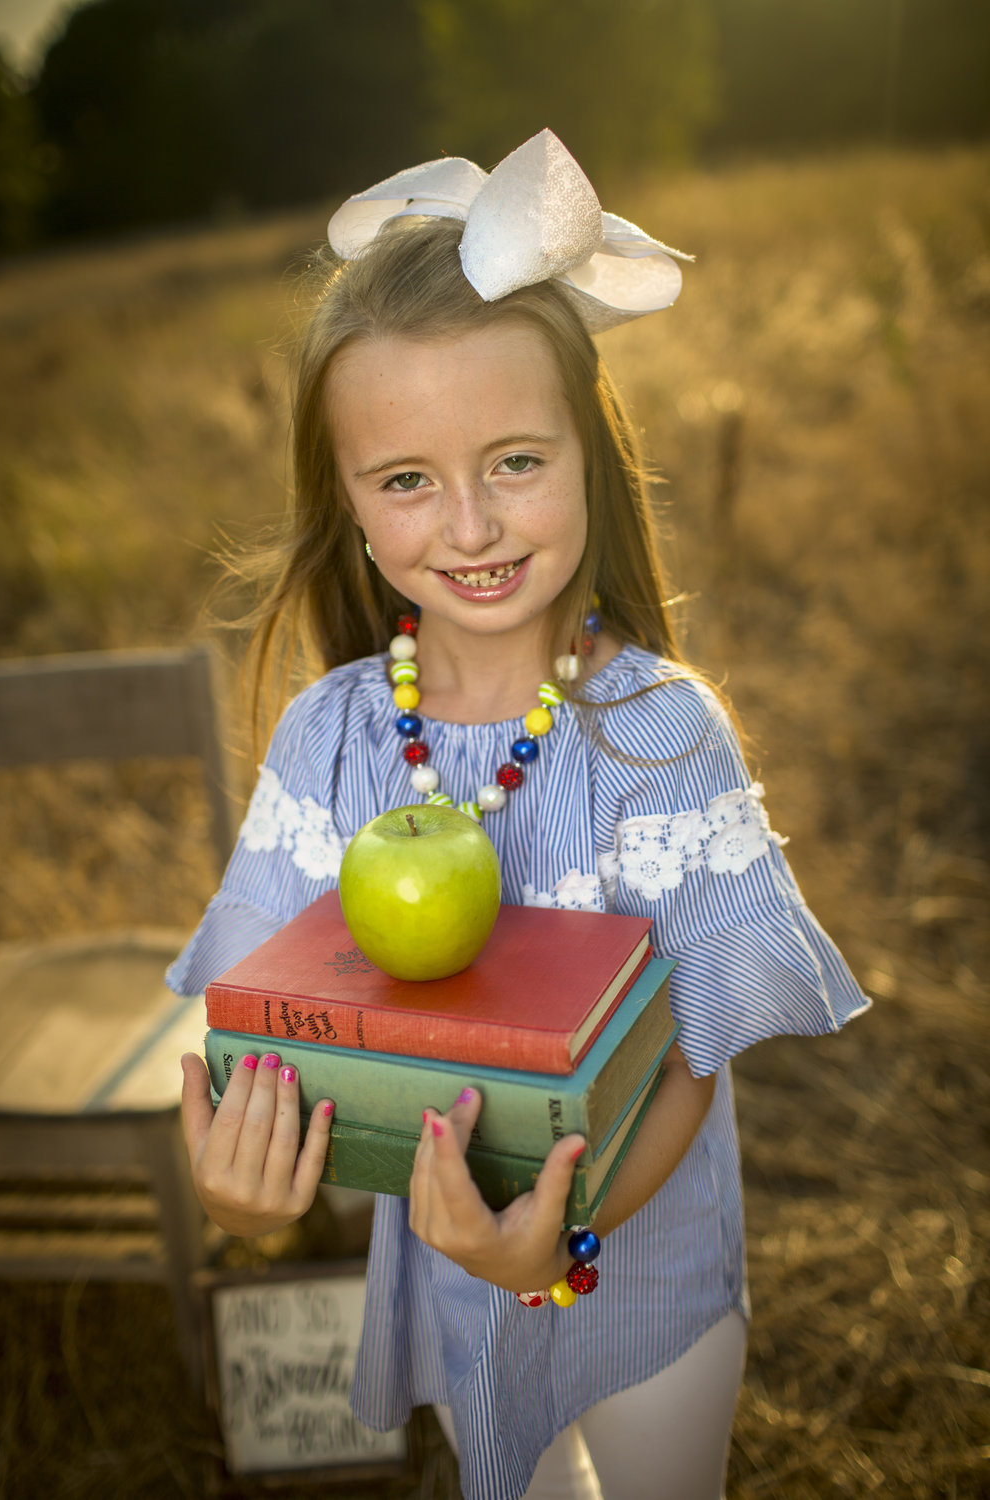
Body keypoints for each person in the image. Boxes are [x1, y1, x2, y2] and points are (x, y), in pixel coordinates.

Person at [171, 131, 869, 1500]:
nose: (472, 527)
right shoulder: (335, 739)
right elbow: (253, 1013)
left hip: (641, 1273)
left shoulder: (658, 732)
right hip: (447, 1266)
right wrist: (233, 1181)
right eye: (409, 481)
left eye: (514, 461)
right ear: (353, 509)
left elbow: (687, 1062)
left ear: (589, 457)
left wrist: (561, 1235)